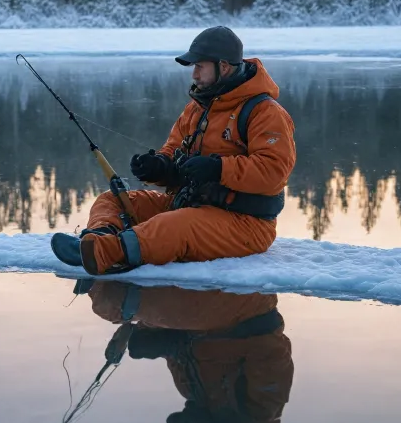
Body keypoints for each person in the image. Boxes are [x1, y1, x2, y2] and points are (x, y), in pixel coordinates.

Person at [51, 25, 296, 275]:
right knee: (112, 199)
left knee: (174, 226)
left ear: (223, 66)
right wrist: (158, 167)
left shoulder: (265, 112)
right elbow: (173, 149)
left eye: (200, 66)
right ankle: (95, 241)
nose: (194, 75)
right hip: (189, 205)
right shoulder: (197, 108)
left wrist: (218, 169)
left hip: (246, 224)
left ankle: (109, 253)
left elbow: (273, 172)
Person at [87, 280, 294, 423]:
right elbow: (269, 348)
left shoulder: (192, 394)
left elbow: (181, 346)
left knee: (121, 300)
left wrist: (147, 339)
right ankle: (101, 262)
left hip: (204, 316)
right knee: (119, 302)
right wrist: (177, 344)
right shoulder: (262, 406)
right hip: (240, 307)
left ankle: (98, 263)